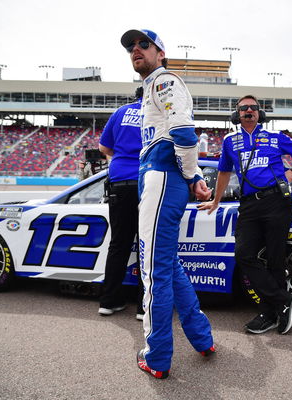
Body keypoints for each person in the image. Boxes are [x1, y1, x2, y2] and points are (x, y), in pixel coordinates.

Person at [121, 28, 214, 379]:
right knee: (169, 267)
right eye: (131, 47)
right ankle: (202, 338)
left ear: (161, 53)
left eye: (144, 44)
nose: (135, 50)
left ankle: (156, 356)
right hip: (163, 179)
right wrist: (192, 176)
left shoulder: (163, 81)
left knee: (152, 272)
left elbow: (184, 134)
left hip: (161, 179)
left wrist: (192, 177)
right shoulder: (152, 88)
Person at [198, 95, 292, 335]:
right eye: (243, 108)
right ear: (236, 113)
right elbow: (224, 173)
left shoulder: (275, 137)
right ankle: (283, 299)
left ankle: (271, 314)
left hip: (277, 201)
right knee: (244, 254)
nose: (248, 110)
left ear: (260, 113)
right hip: (248, 205)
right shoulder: (229, 141)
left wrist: (290, 173)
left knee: (275, 259)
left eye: (253, 107)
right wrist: (216, 200)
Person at [98, 86, 144, 320]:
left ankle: (108, 301)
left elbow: (104, 148)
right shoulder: (158, 112)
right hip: (147, 182)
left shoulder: (121, 112)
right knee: (147, 246)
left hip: (119, 183)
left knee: (118, 244)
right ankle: (143, 307)